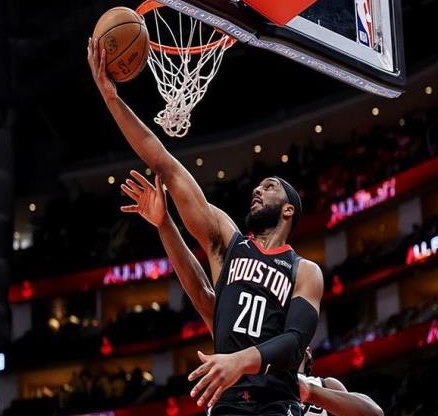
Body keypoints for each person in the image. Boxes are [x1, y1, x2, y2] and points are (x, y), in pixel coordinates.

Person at [88, 38, 324, 415]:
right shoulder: (229, 242)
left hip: (276, 403)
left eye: (270, 187)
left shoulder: (304, 271)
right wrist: (112, 99)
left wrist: (239, 361)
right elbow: (166, 165)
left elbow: (295, 342)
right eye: (258, 186)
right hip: (228, 402)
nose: (258, 190)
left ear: (288, 210)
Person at [120, 172, 383, 416]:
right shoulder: (238, 353)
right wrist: (165, 224)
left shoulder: (322, 386)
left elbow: (374, 413)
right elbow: (201, 293)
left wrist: (311, 392)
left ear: (307, 353)